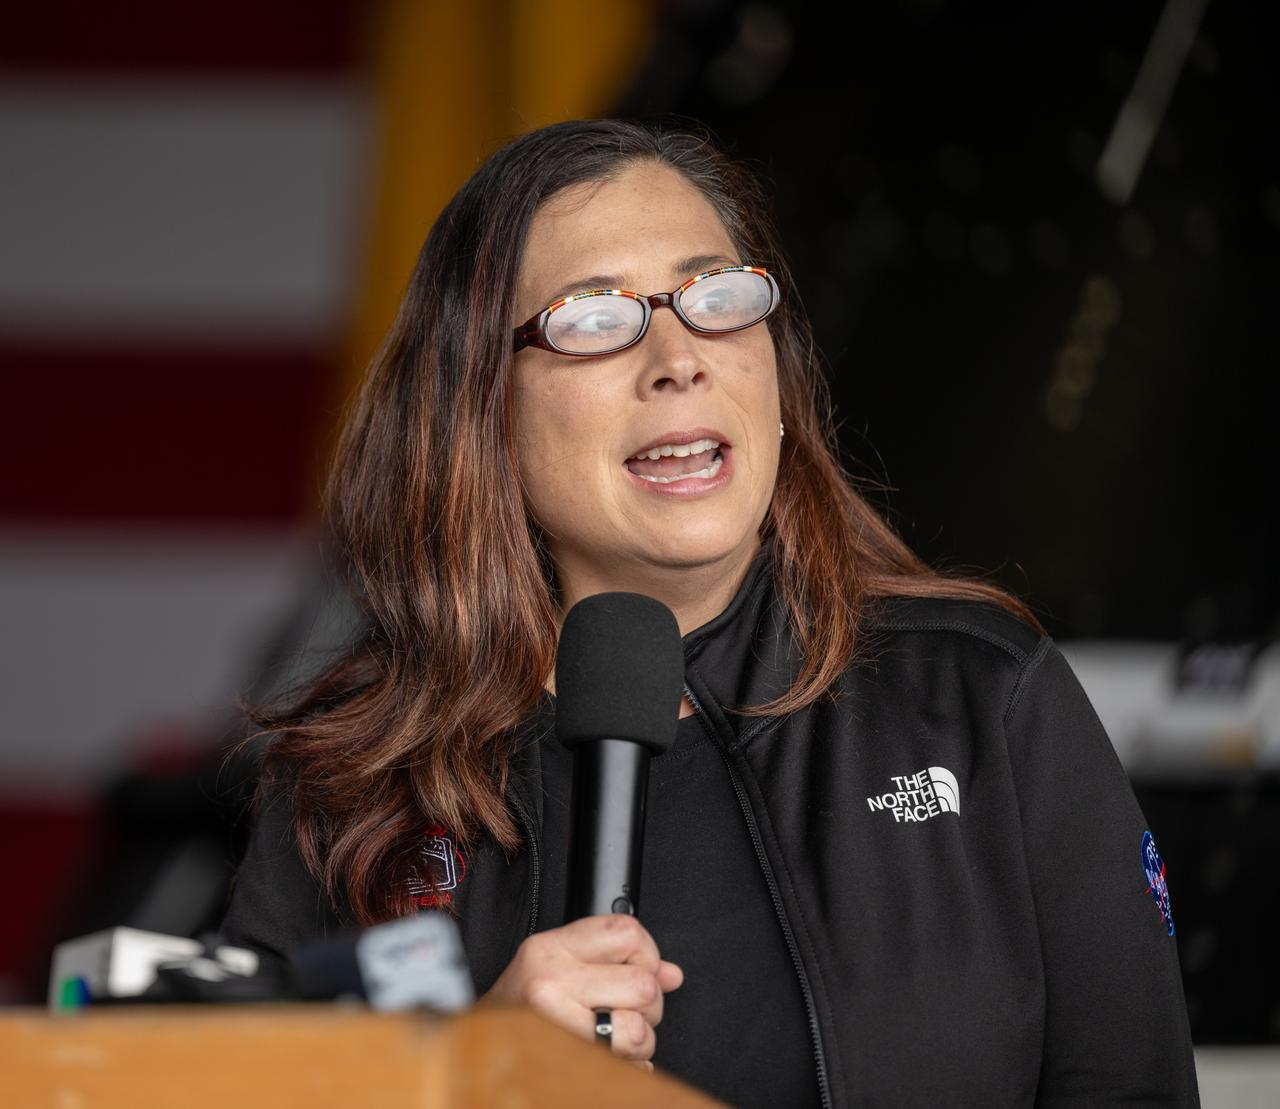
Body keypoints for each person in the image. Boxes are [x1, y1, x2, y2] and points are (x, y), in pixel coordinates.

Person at [218, 118, 1199, 1107]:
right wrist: (463, 1075)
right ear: (480, 411)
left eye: (715, 297)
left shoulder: (979, 698)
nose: (677, 357)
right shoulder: (351, 790)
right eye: (594, 318)